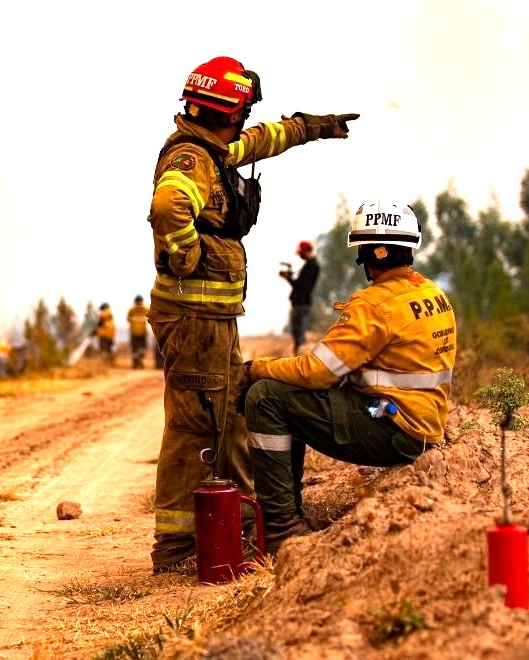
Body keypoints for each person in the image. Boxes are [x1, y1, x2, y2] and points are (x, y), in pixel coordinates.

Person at [146, 54, 359, 574]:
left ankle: (234, 523)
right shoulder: (192, 160)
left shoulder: (216, 148)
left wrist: (309, 128)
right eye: (242, 109)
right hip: (194, 316)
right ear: (227, 109)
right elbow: (169, 205)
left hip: (212, 318)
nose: (245, 119)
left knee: (227, 417)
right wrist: (186, 254)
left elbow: (262, 139)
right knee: (196, 427)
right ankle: (176, 548)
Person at [240, 201, 456, 553]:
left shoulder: (374, 305)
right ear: (410, 248)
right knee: (291, 395)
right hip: (419, 423)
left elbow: (316, 371)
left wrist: (254, 369)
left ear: (367, 255)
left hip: (388, 421)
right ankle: (285, 514)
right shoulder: (433, 294)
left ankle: (280, 528)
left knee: (266, 396)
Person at [279, 240, 321, 355]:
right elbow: (300, 284)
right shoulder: (309, 265)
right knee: (296, 331)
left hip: (301, 304)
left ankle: (301, 356)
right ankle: (299, 355)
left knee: (299, 331)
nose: (300, 256)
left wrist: (289, 278)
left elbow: (302, 286)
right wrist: (290, 278)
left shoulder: (312, 266)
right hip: (300, 303)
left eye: (301, 253)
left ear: (306, 251)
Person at [127, 295, 149, 369]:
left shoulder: (131, 310)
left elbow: (128, 319)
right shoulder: (146, 309)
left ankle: (136, 364)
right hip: (143, 333)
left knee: (134, 349)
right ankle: (140, 362)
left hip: (134, 333)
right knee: (142, 349)